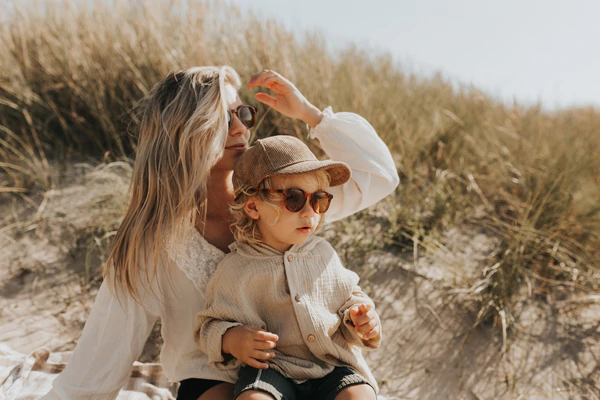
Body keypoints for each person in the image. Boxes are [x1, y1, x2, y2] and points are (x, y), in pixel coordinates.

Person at [41, 66, 399, 400]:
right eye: (223, 119)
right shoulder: (152, 241)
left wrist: (311, 114)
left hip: (317, 374)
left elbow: (380, 175)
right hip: (214, 379)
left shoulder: (285, 196)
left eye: (243, 114)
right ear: (182, 131)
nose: (241, 129)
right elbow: (102, 355)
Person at [194, 135, 382, 400]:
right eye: (294, 199)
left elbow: (350, 298)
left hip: (329, 365)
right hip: (272, 369)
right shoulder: (235, 269)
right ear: (253, 206)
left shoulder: (323, 254)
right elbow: (208, 326)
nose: (309, 212)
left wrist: (361, 318)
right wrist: (232, 338)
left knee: (359, 395)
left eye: (319, 200)